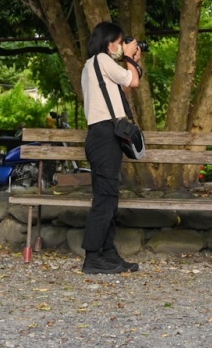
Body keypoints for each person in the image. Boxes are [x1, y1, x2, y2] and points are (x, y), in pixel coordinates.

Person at [80, 20, 143, 274]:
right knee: (105, 199)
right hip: (104, 136)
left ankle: (108, 254)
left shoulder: (93, 67)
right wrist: (129, 58)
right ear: (109, 43)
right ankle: (92, 257)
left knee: (109, 198)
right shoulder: (103, 60)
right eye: (119, 42)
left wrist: (133, 60)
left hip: (102, 136)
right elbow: (134, 82)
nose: (121, 46)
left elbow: (125, 90)